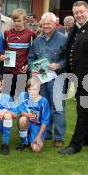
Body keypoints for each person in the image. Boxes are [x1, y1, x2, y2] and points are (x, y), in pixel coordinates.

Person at [59, 1, 88, 155]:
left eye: (81, 12)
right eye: (76, 13)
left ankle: (75, 144)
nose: (79, 15)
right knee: (87, 109)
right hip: (77, 77)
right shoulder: (76, 28)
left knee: (83, 110)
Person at [28, 12, 67, 147]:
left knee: (57, 107)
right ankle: (47, 133)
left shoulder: (63, 39)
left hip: (57, 78)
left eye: (48, 23)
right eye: (44, 24)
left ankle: (59, 137)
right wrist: (32, 68)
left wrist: (59, 65)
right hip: (41, 79)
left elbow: (68, 59)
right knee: (44, 107)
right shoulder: (37, 40)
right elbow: (31, 57)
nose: (46, 26)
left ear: (55, 24)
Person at [2, 8, 36, 98]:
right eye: (14, 21)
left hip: (22, 70)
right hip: (8, 70)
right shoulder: (7, 33)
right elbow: (4, 49)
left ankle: (19, 112)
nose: (16, 23)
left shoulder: (30, 34)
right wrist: (3, 56)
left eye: (19, 21)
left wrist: (28, 64)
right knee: (6, 96)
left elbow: (32, 52)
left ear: (24, 20)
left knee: (19, 96)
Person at [16, 77, 50, 153]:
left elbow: (45, 121)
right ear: (27, 89)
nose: (32, 92)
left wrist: (39, 136)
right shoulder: (23, 96)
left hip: (37, 125)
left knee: (36, 149)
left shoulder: (44, 101)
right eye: (30, 89)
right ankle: (23, 142)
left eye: (35, 89)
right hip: (27, 121)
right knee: (22, 119)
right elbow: (20, 110)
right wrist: (28, 115)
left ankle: (31, 136)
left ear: (39, 89)